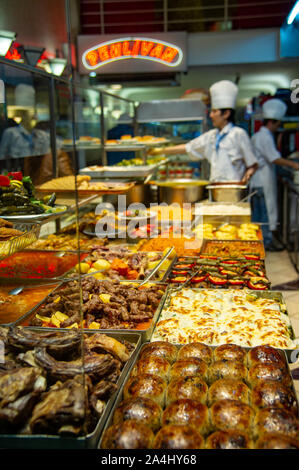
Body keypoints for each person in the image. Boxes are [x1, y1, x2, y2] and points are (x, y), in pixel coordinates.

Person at [148, 80, 258, 183]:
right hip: (215, 188)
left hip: (234, 189)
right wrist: (159, 151)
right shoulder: (212, 136)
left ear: (226, 114)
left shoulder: (238, 134)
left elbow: (252, 164)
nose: (211, 115)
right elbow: (188, 147)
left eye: (214, 112)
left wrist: (244, 181)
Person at [249, 98, 299, 251]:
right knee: (265, 213)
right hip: (263, 180)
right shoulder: (264, 137)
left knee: (258, 215)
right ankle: (266, 243)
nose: (278, 128)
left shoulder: (258, 135)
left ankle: (258, 242)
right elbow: (274, 158)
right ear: (272, 122)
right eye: (277, 124)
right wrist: (295, 165)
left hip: (256, 181)